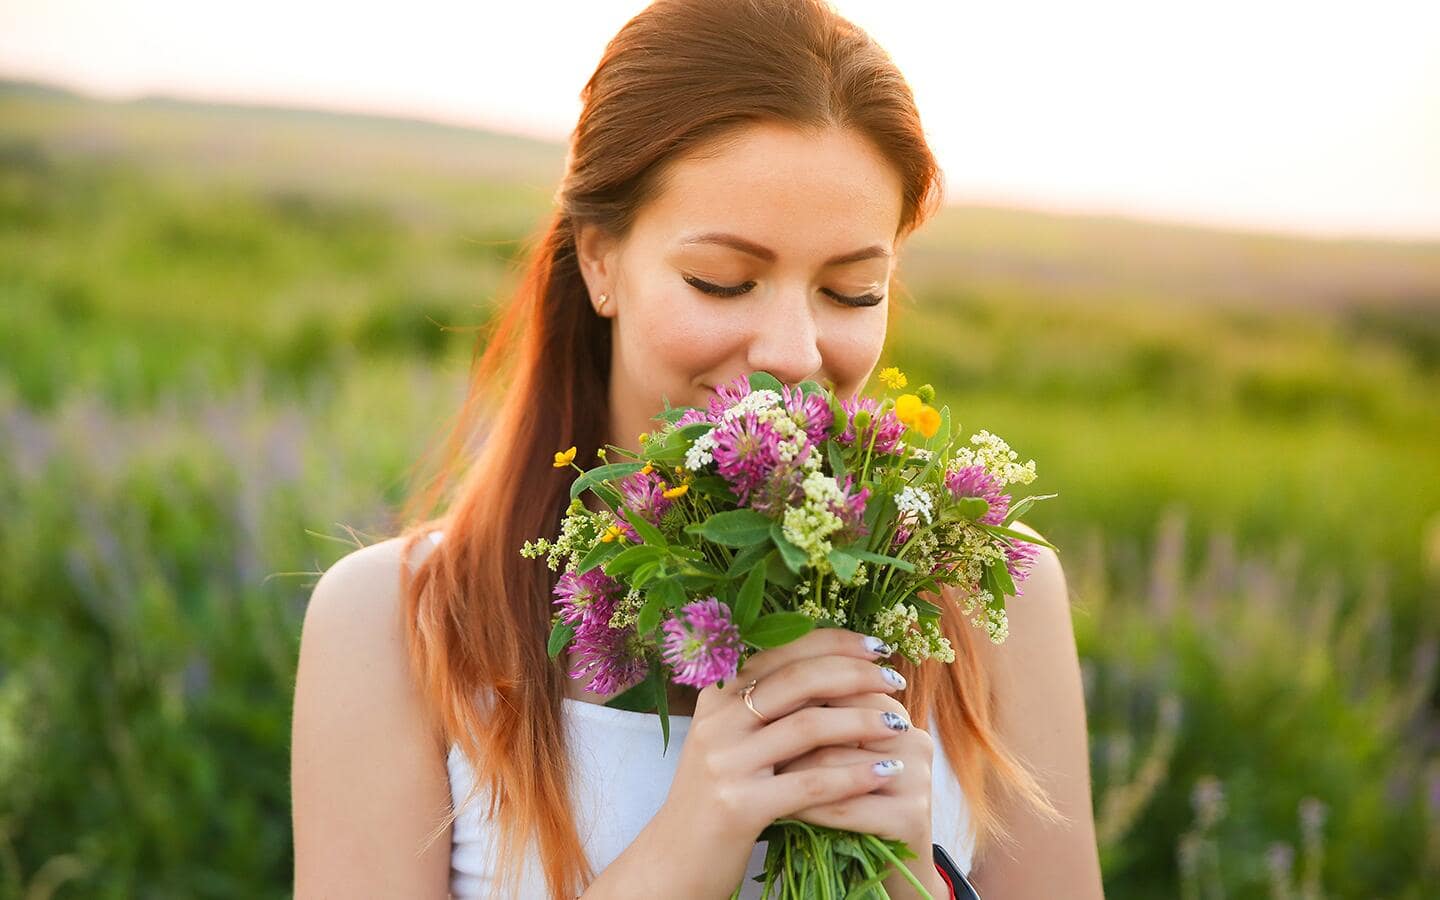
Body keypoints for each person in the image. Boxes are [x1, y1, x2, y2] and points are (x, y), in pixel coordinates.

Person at [290, 0, 1103, 897]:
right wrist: (688, 845)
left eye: (853, 291)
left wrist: (912, 881)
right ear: (600, 259)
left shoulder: (995, 599)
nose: (793, 353)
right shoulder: (398, 627)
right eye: (723, 281)